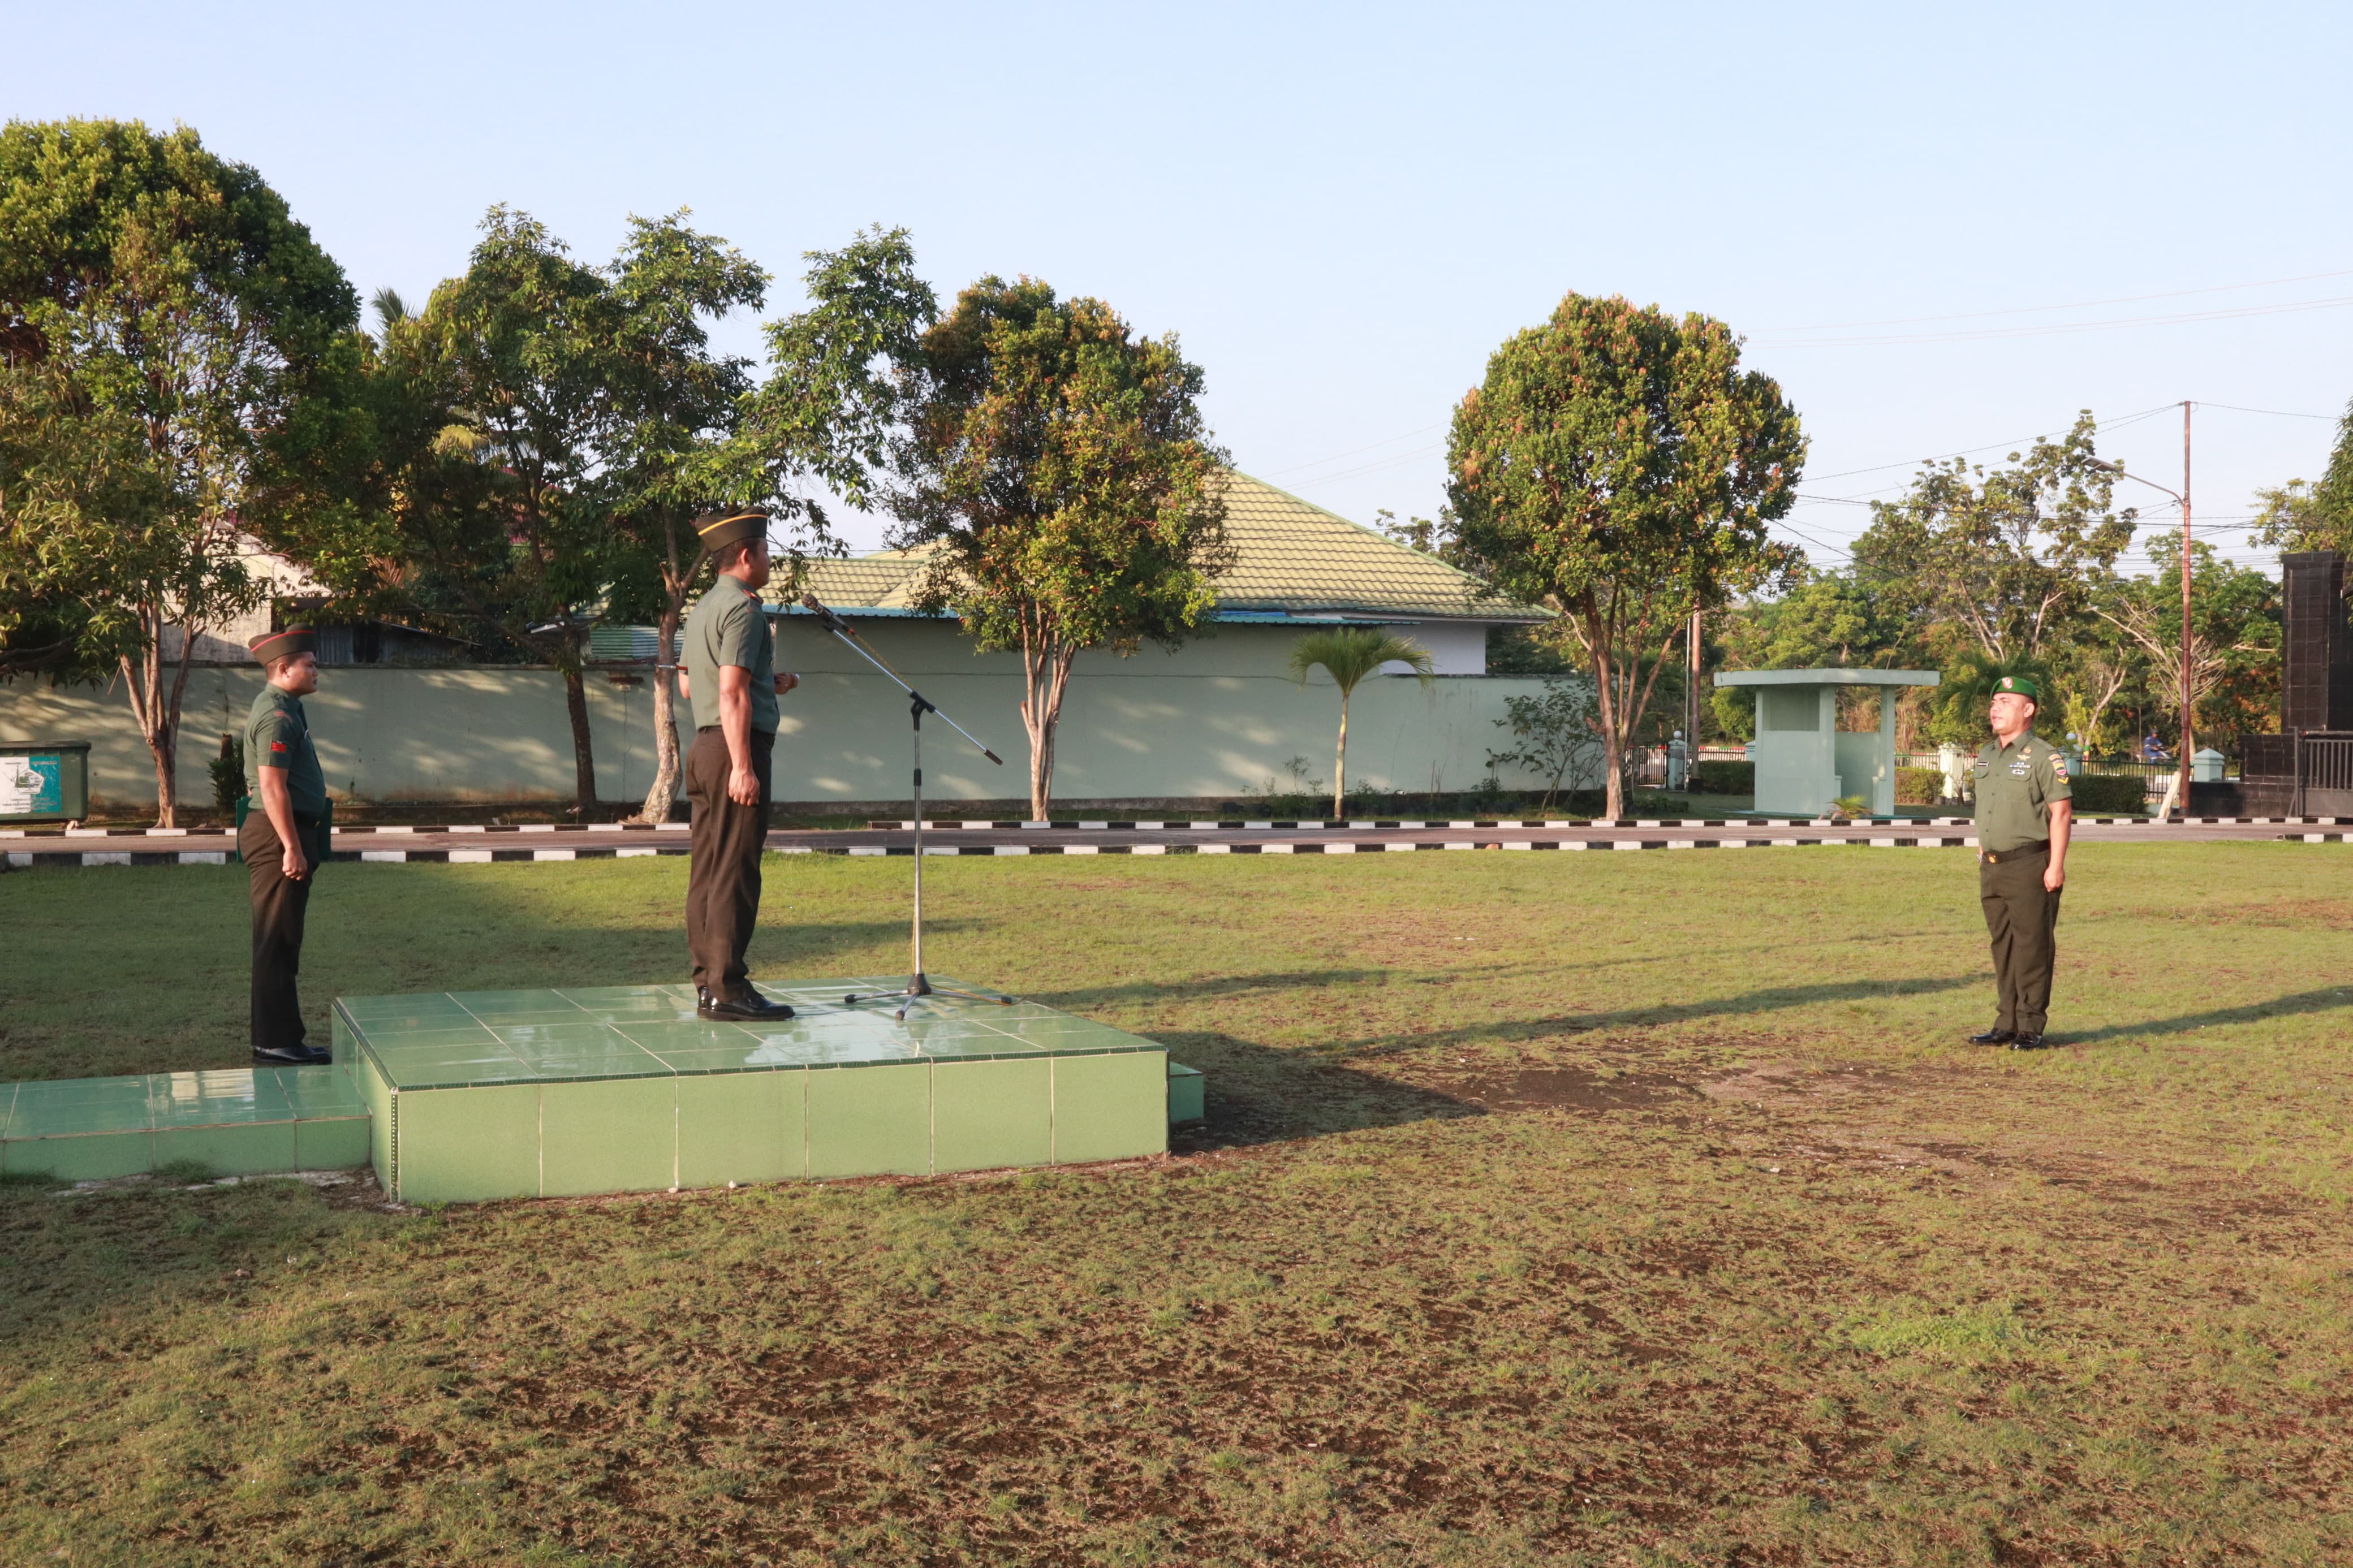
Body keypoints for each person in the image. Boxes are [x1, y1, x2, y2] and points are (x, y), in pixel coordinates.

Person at [676, 511, 801, 1021]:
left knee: (708, 868)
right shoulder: (746, 611)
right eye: (767, 553)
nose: (770, 561)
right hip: (734, 748)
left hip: (705, 747)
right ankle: (730, 989)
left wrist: (770, 682)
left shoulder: (704, 607)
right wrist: (744, 766)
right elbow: (731, 692)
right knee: (737, 869)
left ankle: (708, 984)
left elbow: (691, 685)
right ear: (747, 556)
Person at [243, 629, 333, 1066]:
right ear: (283, 668)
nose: (316, 671)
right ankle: (275, 1041)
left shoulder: (288, 711)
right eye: (309, 664)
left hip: (289, 832)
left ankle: (281, 1037)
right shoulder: (277, 716)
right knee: (276, 940)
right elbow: (272, 787)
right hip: (279, 835)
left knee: (283, 939)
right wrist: (291, 847)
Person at [1968, 674, 2072, 1051]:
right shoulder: (1986, 753)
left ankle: (2031, 1025)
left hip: (2030, 864)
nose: (1996, 708)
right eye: (1994, 701)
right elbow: (1987, 806)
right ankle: (2005, 1022)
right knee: (2003, 945)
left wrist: (2055, 866)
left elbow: (2061, 813)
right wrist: (1983, 847)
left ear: (2028, 710)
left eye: (2006, 702)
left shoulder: (2045, 756)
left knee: (2033, 945)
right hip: (1993, 866)